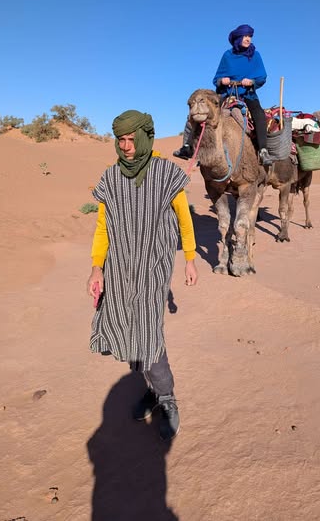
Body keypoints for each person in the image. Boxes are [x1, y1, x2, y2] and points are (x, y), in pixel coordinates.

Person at [87, 110, 198, 441]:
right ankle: (151, 390)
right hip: (119, 268)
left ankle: (167, 397)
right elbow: (102, 227)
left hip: (153, 267)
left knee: (148, 332)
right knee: (126, 327)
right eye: (120, 140)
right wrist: (96, 267)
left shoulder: (166, 173)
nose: (126, 146)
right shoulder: (110, 178)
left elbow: (184, 219)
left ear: (145, 138)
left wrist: (190, 259)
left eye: (131, 139)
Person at [213, 23, 274, 166]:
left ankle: (263, 151)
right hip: (227, 93)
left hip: (247, 95)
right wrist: (222, 80)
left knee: (259, 115)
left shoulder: (255, 55)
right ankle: (194, 148)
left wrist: (251, 81)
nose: (248, 39)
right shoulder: (227, 56)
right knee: (210, 115)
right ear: (238, 38)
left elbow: (262, 77)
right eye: (245, 36)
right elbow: (216, 78)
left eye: (250, 36)